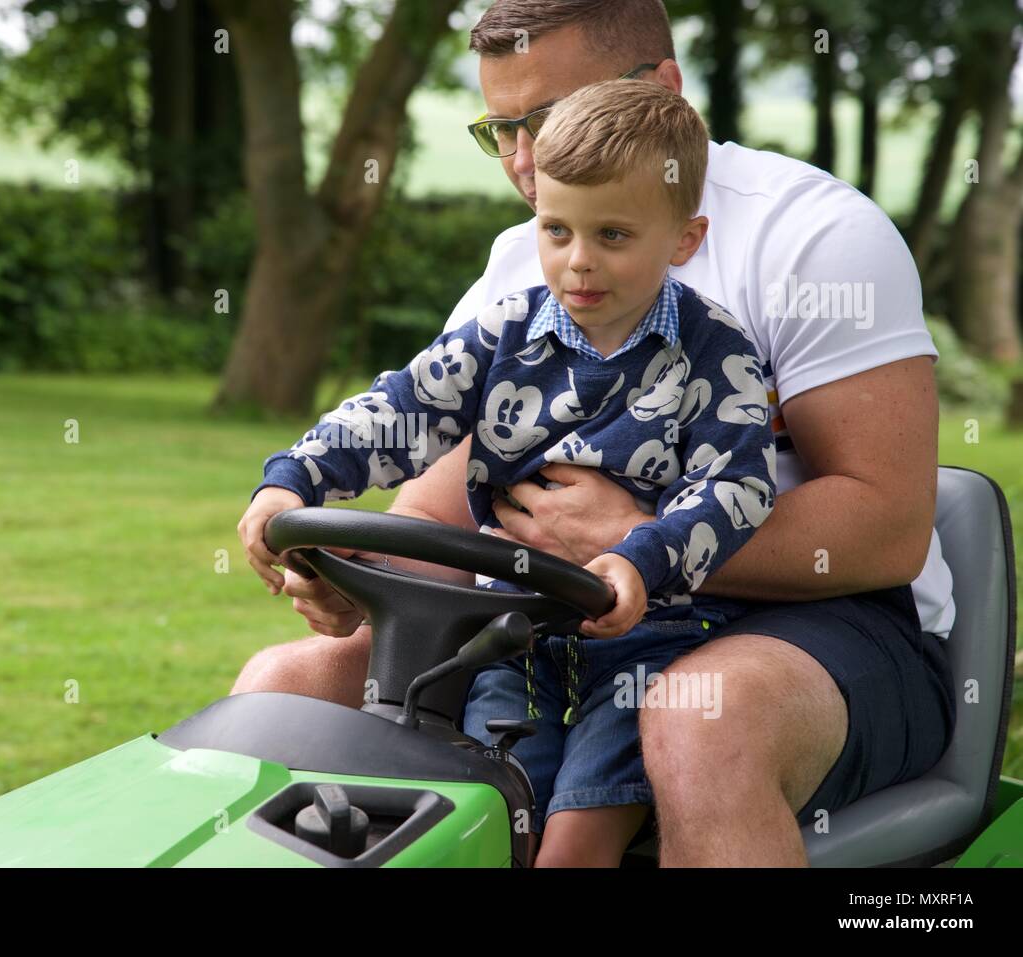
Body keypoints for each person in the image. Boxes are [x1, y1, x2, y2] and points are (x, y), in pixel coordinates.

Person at [233, 0, 956, 868]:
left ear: (664, 91)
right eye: (499, 130)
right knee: (283, 692)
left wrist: (632, 544)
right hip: (549, 624)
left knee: (698, 717)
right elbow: (434, 495)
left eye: (549, 118)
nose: (527, 162)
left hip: (818, 621)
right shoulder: (523, 274)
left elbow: (887, 528)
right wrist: (361, 580)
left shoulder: (813, 240)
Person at [241, 79, 778, 866]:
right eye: (556, 230)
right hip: (507, 634)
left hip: (648, 642)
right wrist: (294, 478)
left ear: (684, 238)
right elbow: (403, 408)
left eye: (614, 236)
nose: (579, 261)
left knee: (573, 845)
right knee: (486, 821)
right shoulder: (505, 332)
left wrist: (639, 555)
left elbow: (734, 489)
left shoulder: (713, 351)